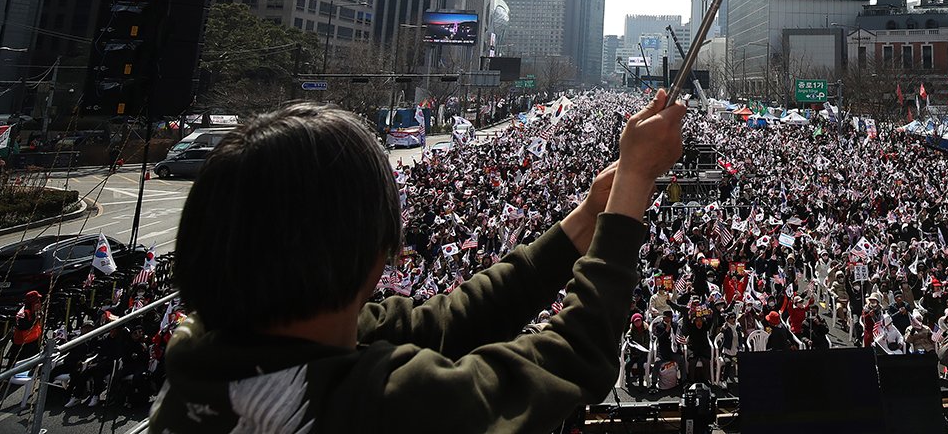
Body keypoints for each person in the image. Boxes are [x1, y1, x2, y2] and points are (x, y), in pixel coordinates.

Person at [151, 92, 685, 434]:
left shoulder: (205, 348)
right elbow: (572, 356)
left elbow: (451, 321)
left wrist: (588, 215)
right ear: (371, 254)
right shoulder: (379, 409)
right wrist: (635, 184)